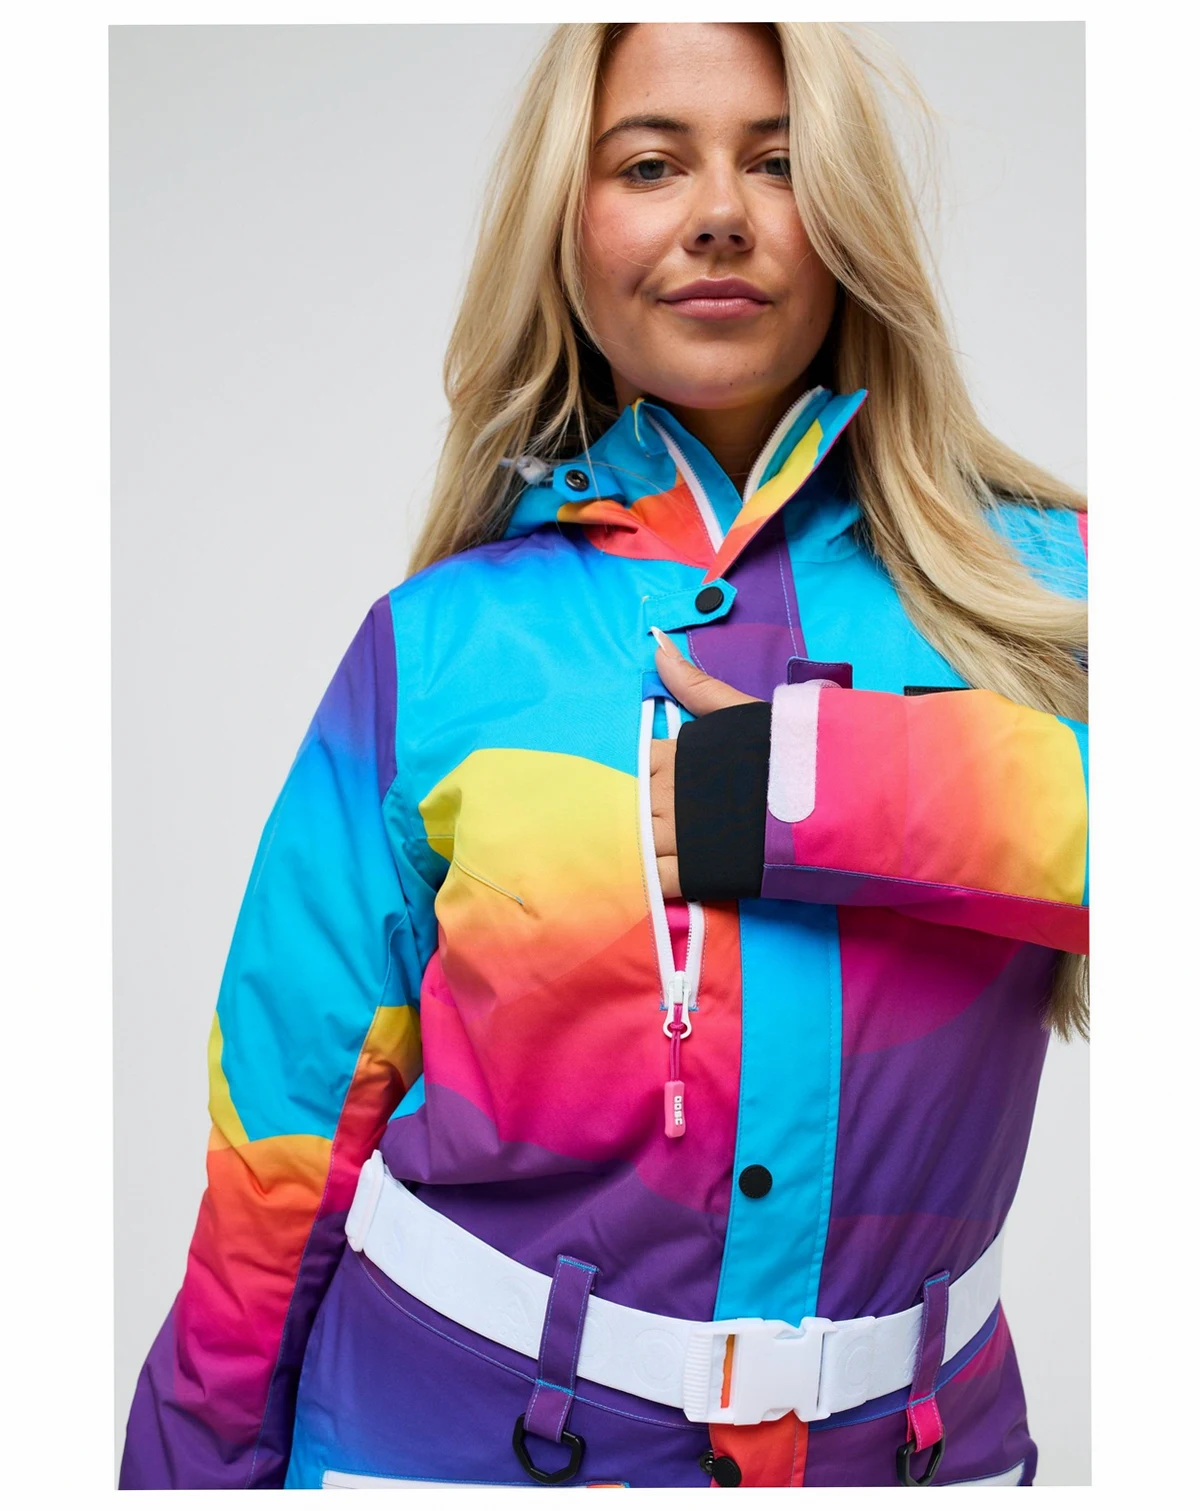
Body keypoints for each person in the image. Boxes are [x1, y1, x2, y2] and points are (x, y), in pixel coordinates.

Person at [119, 20, 1088, 1491]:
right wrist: (186, 1476)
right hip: (443, 1451)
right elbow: (283, 1136)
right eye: (650, 164)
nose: (721, 213)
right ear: (569, 226)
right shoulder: (439, 645)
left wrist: (832, 791)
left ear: (854, 212)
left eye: (781, 162)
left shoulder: (1049, 588)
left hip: (918, 1455)